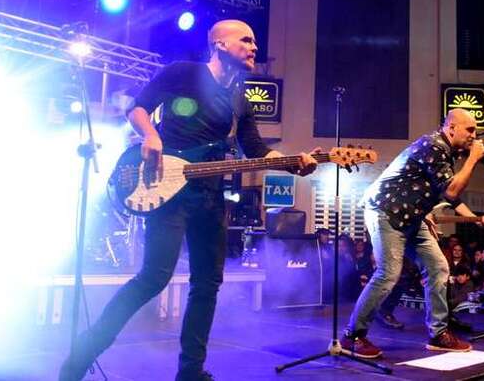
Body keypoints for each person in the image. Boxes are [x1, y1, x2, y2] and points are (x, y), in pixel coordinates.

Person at [59, 20, 319, 381]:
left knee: (207, 284)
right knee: (154, 278)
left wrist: (293, 162)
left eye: (254, 41)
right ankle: (82, 355)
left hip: (210, 197)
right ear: (220, 44)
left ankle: (191, 372)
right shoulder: (183, 73)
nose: (254, 47)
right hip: (167, 190)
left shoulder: (240, 99)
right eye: (246, 40)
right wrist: (150, 135)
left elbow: (257, 151)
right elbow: (137, 108)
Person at [341, 108, 484, 358]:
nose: (473, 135)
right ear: (451, 128)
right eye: (469, 129)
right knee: (388, 273)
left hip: (412, 218)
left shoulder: (447, 153)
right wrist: (473, 159)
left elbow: (450, 195)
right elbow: (451, 191)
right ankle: (352, 336)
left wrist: (475, 218)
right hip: (386, 212)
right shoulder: (433, 145)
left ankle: (439, 334)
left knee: (438, 267)